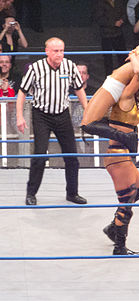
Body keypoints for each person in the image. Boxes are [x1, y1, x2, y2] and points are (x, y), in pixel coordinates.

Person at [16, 37, 88, 206]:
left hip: (62, 114)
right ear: (47, 51)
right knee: (40, 156)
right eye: (55, 51)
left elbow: (79, 90)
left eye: (62, 50)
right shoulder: (35, 68)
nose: (59, 54)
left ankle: (72, 193)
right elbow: (22, 93)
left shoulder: (69, 66)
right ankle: (31, 193)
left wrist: (89, 111)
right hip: (41, 115)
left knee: (71, 156)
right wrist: (19, 116)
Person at [103, 73, 139, 255]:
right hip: (117, 156)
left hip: (124, 155)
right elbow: (137, 75)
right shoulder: (126, 96)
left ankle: (113, 227)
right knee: (126, 203)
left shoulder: (135, 99)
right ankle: (119, 246)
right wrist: (138, 56)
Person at [95, 0, 127, 76]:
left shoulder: (119, 2)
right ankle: (108, 77)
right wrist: (113, 23)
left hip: (118, 34)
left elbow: (124, 13)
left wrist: (122, 20)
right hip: (106, 35)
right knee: (108, 59)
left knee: (123, 57)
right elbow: (99, 19)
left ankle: (125, 76)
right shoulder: (100, 3)